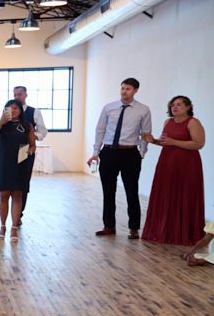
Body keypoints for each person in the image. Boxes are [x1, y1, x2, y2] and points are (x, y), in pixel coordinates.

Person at [87, 78, 152, 239]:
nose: (124, 91)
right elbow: (100, 130)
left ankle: (134, 228)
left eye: (128, 89)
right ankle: (109, 226)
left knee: (132, 191)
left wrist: (142, 153)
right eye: (122, 88)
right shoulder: (109, 108)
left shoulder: (143, 110)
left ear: (135, 90)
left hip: (130, 153)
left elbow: (146, 133)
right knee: (108, 192)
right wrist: (96, 152)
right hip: (109, 152)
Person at [140, 95, 206, 246]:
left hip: (187, 165)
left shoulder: (193, 122)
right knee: (166, 195)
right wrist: (154, 141)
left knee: (184, 194)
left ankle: (184, 234)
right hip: (167, 163)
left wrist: (173, 142)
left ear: (188, 107)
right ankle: (164, 231)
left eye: (179, 105)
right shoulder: (167, 122)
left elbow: (199, 144)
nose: (175, 107)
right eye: (172, 105)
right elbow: (166, 143)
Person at [0, 86, 46, 224]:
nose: (17, 96)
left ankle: (17, 217)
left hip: (24, 151)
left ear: (26, 95)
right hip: (6, 154)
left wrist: (29, 137)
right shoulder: (5, 117)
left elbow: (42, 132)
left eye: (20, 94)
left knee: (21, 186)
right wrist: (2, 123)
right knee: (0, 187)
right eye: (15, 94)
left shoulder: (34, 113)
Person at [0, 100, 36, 242]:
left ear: (21, 110)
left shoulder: (27, 126)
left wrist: (29, 150)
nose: (13, 111)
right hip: (4, 163)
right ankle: (2, 226)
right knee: (3, 194)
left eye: (15, 108)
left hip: (21, 163)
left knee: (17, 194)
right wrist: (1, 121)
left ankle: (14, 228)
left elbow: (33, 145)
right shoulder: (1, 125)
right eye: (9, 108)